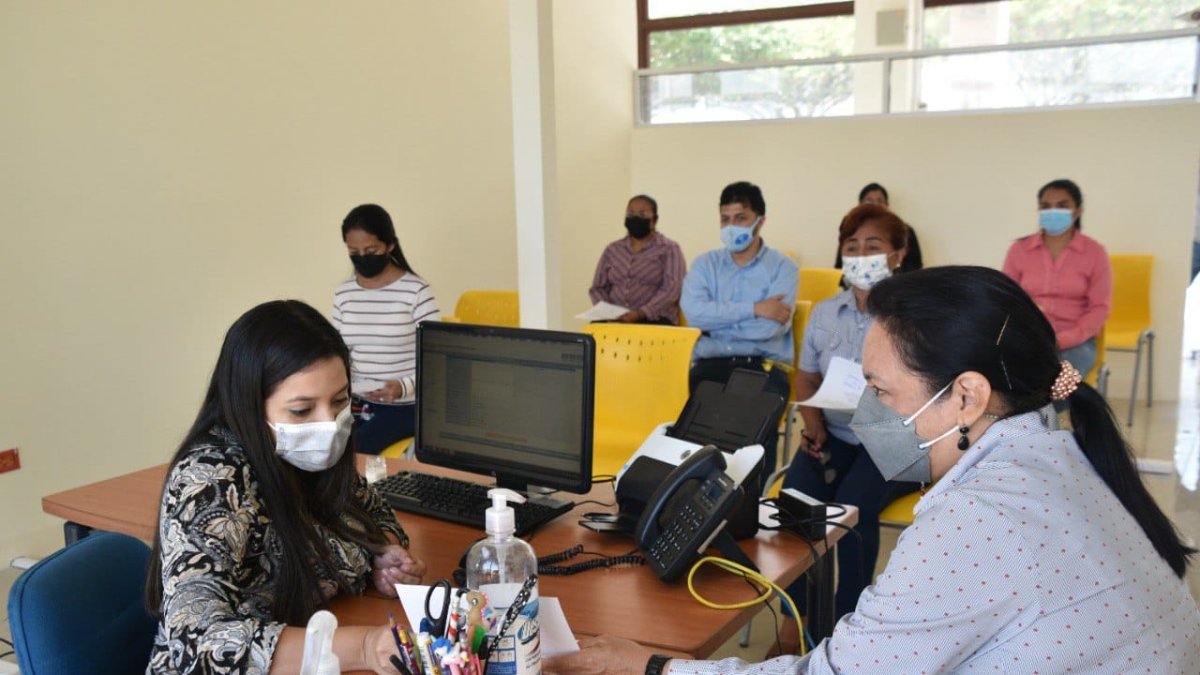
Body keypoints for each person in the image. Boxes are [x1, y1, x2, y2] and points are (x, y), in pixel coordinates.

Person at [545, 266, 1200, 674]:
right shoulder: (1060, 455)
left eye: (881, 391)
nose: (866, 410)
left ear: (967, 395)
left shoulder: (976, 518)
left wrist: (652, 666)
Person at [145, 300, 427, 674]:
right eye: (301, 411)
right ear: (249, 405)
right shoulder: (210, 479)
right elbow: (195, 641)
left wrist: (384, 554)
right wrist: (363, 646)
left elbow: (372, 512)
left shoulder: (309, 456)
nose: (328, 424)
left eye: (340, 400)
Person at [773, 204, 920, 651]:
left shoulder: (915, 315)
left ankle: (847, 626)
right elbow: (806, 376)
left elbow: (926, 393)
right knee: (794, 506)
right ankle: (795, 622)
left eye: (873, 246)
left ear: (898, 254)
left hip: (894, 439)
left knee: (852, 509)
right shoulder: (825, 312)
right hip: (833, 433)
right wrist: (812, 422)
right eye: (851, 247)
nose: (860, 255)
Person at [681, 181, 798, 473]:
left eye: (740, 218)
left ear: (761, 221)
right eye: (725, 219)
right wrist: (756, 308)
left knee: (751, 443)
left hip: (762, 367)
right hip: (710, 366)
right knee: (697, 441)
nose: (731, 226)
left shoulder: (784, 268)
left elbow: (769, 330)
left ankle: (753, 509)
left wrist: (717, 322)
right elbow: (694, 314)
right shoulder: (705, 264)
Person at [335, 203, 441, 455]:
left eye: (370, 249)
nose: (362, 256)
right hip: (359, 402)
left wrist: (404, 386)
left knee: (354, 449)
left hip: (406, 405)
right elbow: (337, 352)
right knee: (321, 444)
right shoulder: (344, 293)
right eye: (354, 251)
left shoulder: (416, 291)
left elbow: (437, 358)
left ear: (390, 245)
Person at [1002, 178, 1111, 377]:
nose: (1053, 212)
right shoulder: (1019, 250)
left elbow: (1099, 308)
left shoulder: (1095, 252)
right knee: (1004, 372)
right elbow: (1006, 300)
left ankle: (1041, 408)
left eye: (1062, 206)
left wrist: (1065, 338)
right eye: (1045, 206)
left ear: (1078, 211)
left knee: (1057, 380)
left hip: (1076, 342)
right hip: (1028, 337)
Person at [588, 194, 687, 324]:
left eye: (642, 214)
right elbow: (597, 288)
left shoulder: (669, 249)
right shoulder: (612, 249)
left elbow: (673, 289)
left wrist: (641, 313)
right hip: (614, 320)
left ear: (654, 220)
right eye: (630, 213)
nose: (635, 218)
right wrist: (608, 311)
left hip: (655, 321)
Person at [834, 183, 923, 273]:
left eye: (880, 201)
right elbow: (839, 268)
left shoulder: (906, 231)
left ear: (887, 206)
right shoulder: (849, 229)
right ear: (860, 205)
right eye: (869, 201)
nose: (875, 205)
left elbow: (915, 266)